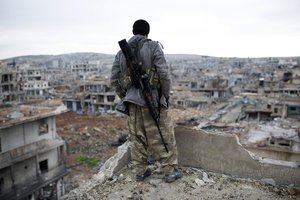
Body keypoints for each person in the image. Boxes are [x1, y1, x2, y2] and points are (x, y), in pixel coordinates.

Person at [110, 19, 182, 183]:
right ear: (147, 32)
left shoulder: (121, 52)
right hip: (152, 101)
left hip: (132, 103)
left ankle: (140, 171)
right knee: (161, 135)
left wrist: (126, 96)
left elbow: (114, 80)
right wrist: (164, 96)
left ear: (133, 32)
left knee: (137, 138)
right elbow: (163, 74)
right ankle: (169, 170)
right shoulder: (153, 46)